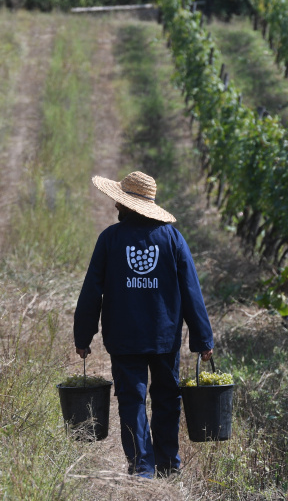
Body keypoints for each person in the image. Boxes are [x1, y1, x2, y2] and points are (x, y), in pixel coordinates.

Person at [74, 171, 214, 478]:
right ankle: (168, 463)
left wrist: (83, 335)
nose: (114, 207)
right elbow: (192, 290)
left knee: (132, 399)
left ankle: (141, 468)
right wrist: (203, 339)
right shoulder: (173, 239)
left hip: (124, 339)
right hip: (164, 337)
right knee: (167, 397)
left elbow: (91, 290)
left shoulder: (110, 240)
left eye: (118, 202)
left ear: (125, 205)